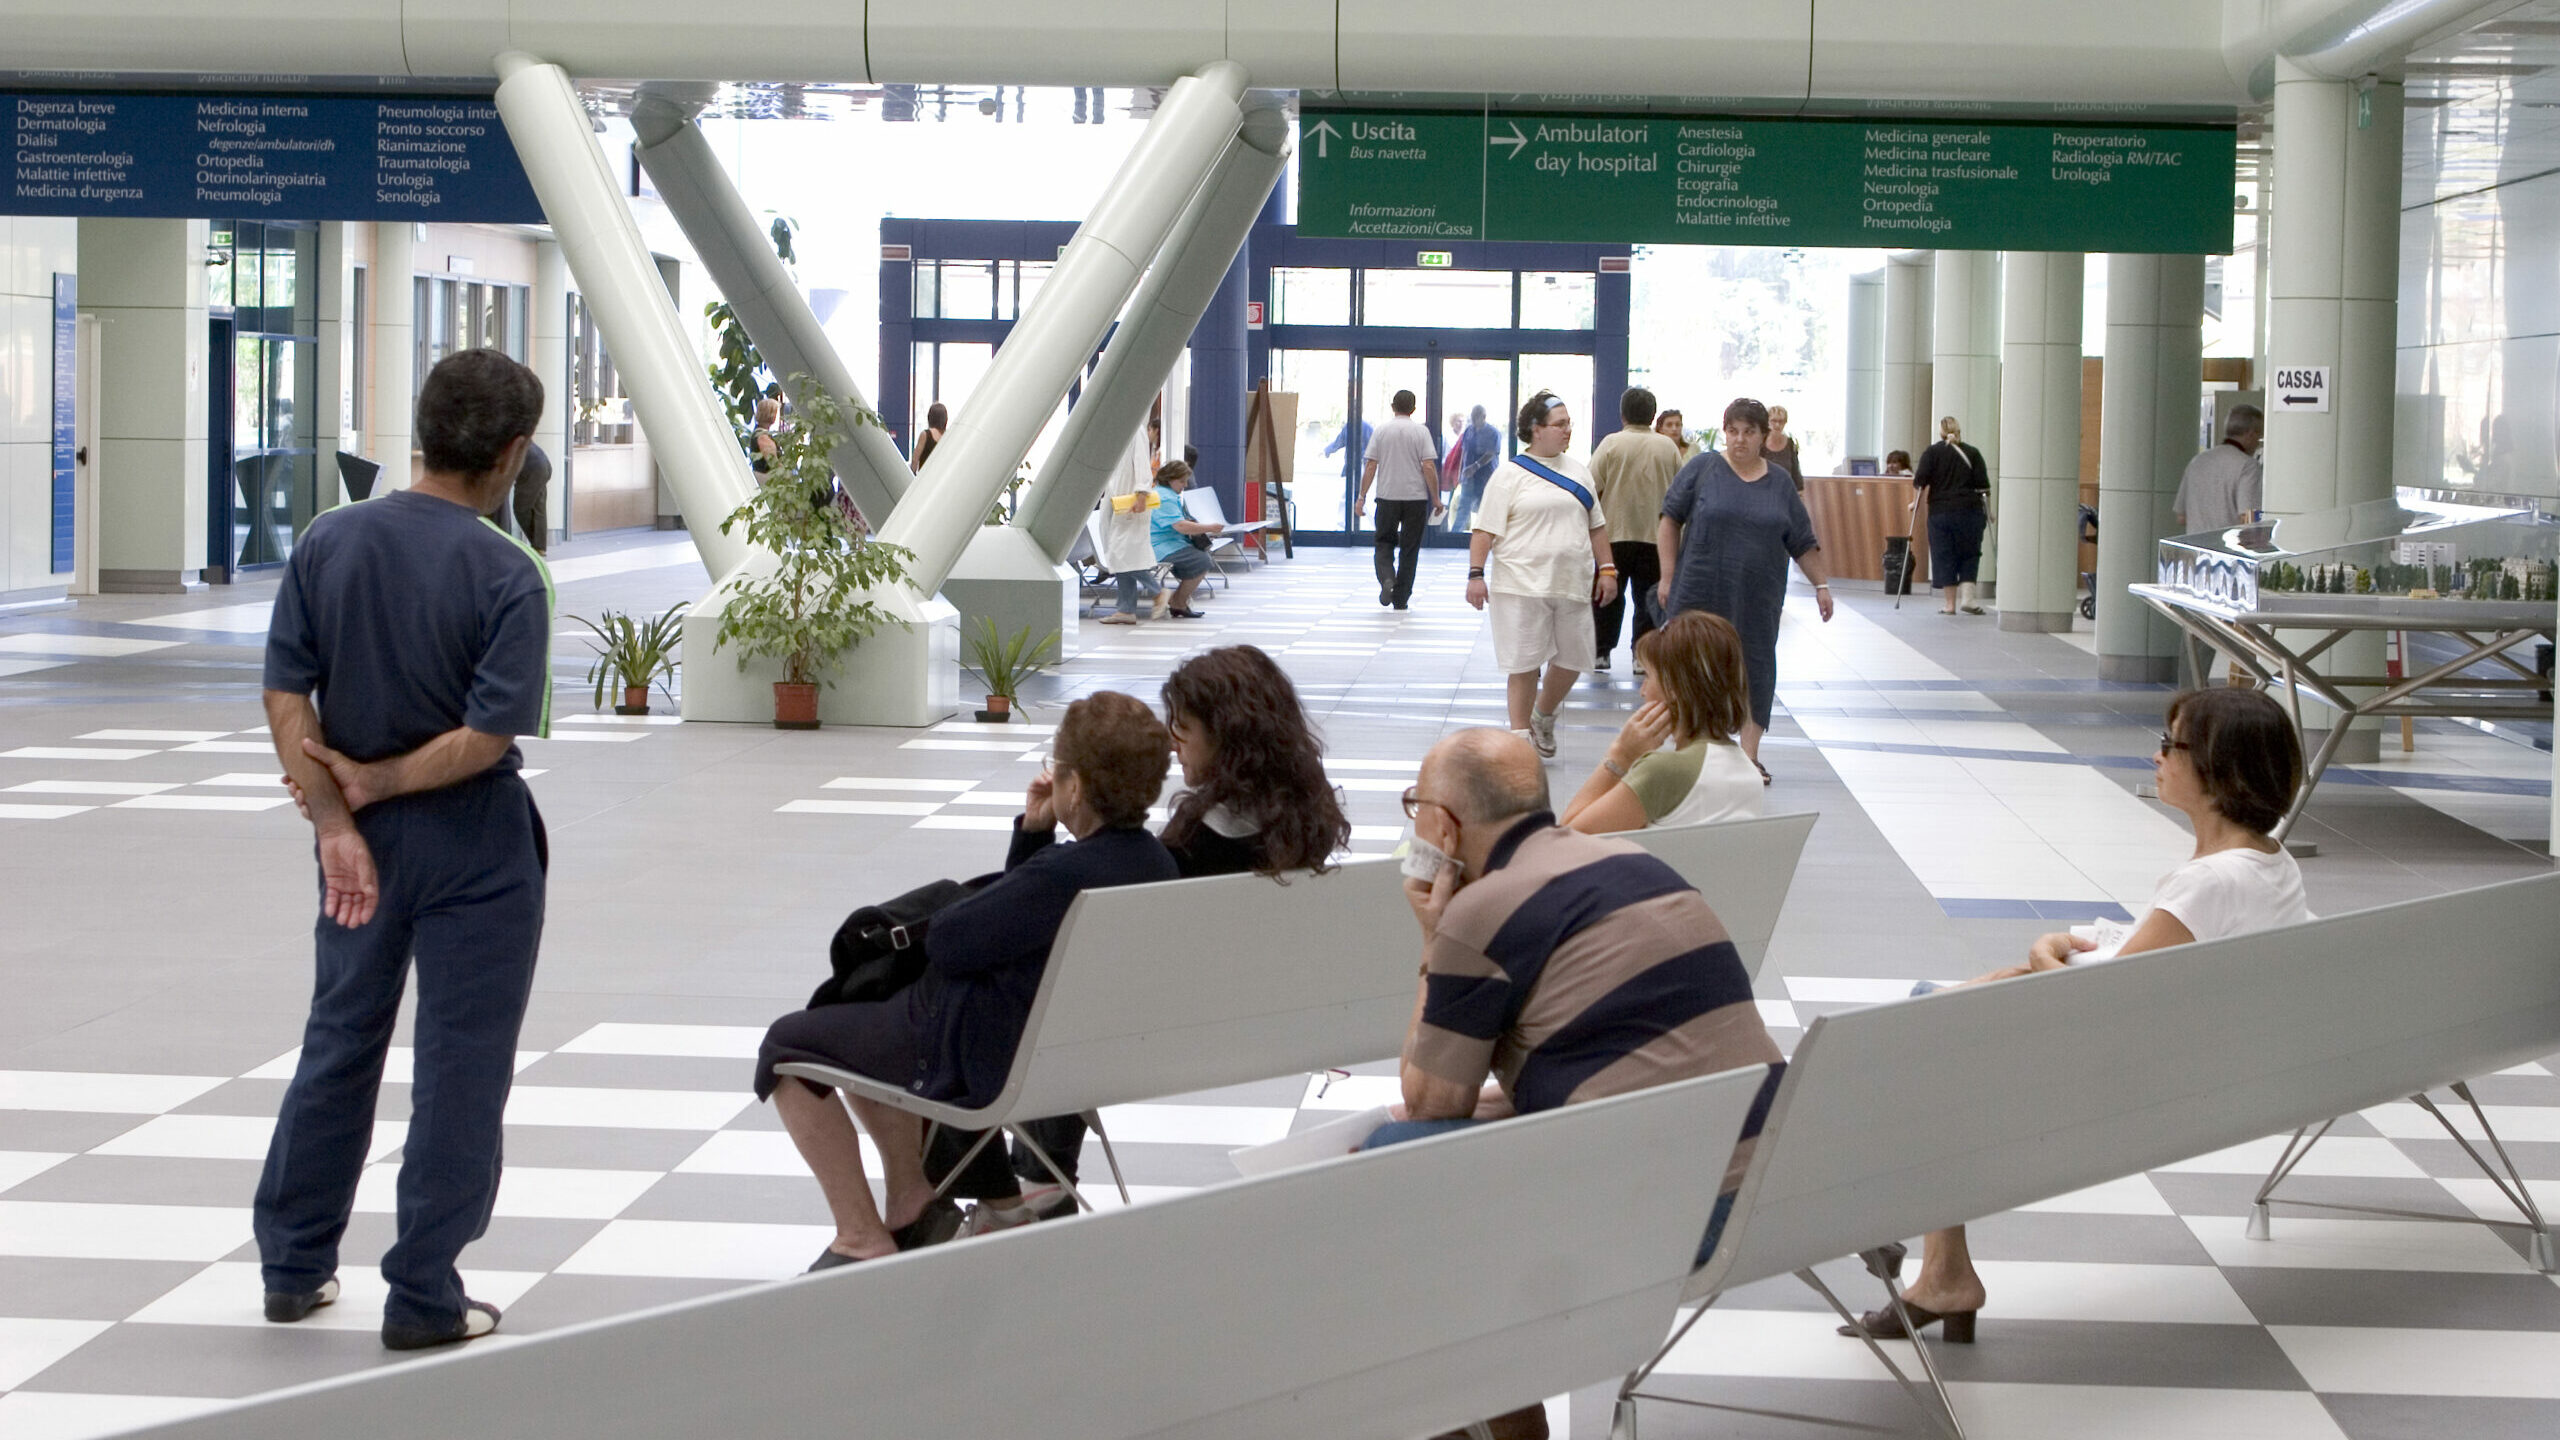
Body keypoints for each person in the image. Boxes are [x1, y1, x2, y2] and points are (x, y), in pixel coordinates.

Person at [1841, 687, 2311, 1345]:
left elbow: (2095, 1007)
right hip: (2205, 1071)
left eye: (2170, 744)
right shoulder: (2270, 864)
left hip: (2126, 1088)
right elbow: (2146, 972)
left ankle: (1893, 1230)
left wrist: (2044, 951)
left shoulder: (2209, 883)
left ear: (2218, 769)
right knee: (1936, 1012)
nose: (2157, 756)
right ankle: (1937, 1266)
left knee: (1923, 1032)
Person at [254, 349, 553, 1352]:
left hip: (360, 849)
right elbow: (488, 735)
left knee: (340, 1039)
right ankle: (423, 1294)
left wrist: (337, 822)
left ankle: (293, 1267)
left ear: (423, 431)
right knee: (462, 1066)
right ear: (511, 453)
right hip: (476, 847)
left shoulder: (329, 541)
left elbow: (287, 693)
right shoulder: (509, 573)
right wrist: (379, 785)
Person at [1375, 728, 1784, 1440]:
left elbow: (1429, 1102)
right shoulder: (1635, 861)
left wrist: (1432, 941)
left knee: (1395, 1163)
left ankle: (1494, 1420)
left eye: (1417, 807)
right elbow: (1618, 1057)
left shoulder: (1479, 910)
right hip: (1776, 1178)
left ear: (1444, 825)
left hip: (1679, 1207)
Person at [754, 692, 1178, 1269]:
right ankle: (910, 1204)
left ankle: (860, 1235)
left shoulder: (1063, 873)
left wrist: (1034, 847)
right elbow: (1016, 917)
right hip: (1072, 1062)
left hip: (977, 1054)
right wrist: (1035, 834)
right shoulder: (1156, 865)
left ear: (1075, 787)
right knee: (857, 1026)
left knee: (788, 1046)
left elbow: (951, 941)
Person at [959, 646, 1357, 1233]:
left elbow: (1032, 915)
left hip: (1150, 1024)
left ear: (1226, 737)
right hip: (1250, 1013)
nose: (1174, 743)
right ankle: (1040, 1175)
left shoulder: (1190, 845)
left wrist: (1041, 837)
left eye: (1183, 729)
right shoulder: (1304, 822)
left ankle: (1036, 1178)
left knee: (1023, 986)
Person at [1657, 397, 1834, 775]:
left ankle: (1748, 756)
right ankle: (1692, 749)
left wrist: (1821, 585)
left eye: (1749, 432)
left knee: (1756, 667)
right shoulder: (1703, 468)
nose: (1739, 439)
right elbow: (1669, 519)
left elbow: (1802, 541)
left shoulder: (1780, 482)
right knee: (1693, 666)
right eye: (1732, 431)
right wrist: (1667, 576)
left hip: (1758, 595)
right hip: (1699, 588)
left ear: (1763, 436)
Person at [1468, 391, 1618, 759]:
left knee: (1574, 660)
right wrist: (1476, 575)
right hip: (1520, 585)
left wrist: (1607, 569)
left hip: (1571, 583)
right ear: (1536, 430)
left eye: (1569, 423)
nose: (1568, 430)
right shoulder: (1509, 475)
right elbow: (1484, 530)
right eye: (1559, 424)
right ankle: (1519, 742)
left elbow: (1596, 526)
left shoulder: (1579, 471)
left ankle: (1543, 715)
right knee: (1523, 664)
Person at [1559, 611, 1763, 833]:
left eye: (1648, 676)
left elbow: (1565, 838)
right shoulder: (1748, 772)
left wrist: (1619, 757)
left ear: (1674, 686)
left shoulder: (1663, 771)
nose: (1643, 691)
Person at [1589, 387, 1682, 673]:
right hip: (1655, 536)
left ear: (1623, 415)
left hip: (1613, 534)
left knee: (1607, 595)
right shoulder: (1668, 447)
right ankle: (1641, 656)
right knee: (1648, 599)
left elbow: (1591, 484)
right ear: (1653, 416)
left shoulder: (1611, 443)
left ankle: (1601, 652)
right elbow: (1681, 490)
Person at [1357, 388, 1442, 609]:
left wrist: (1361, 497)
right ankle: (1401, 598)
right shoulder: (1421, 432)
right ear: (1413, 409)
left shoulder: (1381, 431)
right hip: (1415, 499)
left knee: (1383, 543)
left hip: (1387, 497)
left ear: (1393, 406)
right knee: (1410, 548)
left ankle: (1387, 577)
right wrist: (1435, 497)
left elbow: (1371, 465)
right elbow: (1428, 466)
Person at [1912, 416, 1991, 615]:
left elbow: (1920, 482)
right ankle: (1969, 599)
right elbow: (1983, 487)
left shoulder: (1932, 453)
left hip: (1941, 513)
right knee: (1970, 553)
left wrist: (1915, 504)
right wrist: (1989, 513)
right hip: (1970, 511)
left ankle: (1949, 605)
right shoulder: (1973, 453)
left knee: (1943, 554)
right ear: (1959, 432)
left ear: (1940, 433)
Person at [2172, 403, 2265, 533]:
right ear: (2251, 434)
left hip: (2194, 543)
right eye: (2259, 438)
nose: (2258, 444)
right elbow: (2249, 518)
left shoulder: (2197, 461)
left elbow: (2181, 517)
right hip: (2228, 544)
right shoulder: (2248, 466)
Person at [1147, 459, 1221, 620]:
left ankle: (1179, 601)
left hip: (1167, 543)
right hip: (1163, 546)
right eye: (1182, 481)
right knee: (1202, 561)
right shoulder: (1165, 498)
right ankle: (1178, 602)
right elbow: (1180, 526)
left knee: (1199, 559)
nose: (1185, 485)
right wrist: (1209, 527)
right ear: (1170, 479)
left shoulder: (1162, 493)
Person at [1096, 443, 1161, 626]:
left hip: (1131, 504)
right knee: (1120, 557)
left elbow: (1142, 467)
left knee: (1124, 554)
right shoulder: (1119, 435)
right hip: (1117, 500)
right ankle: (1126, 610)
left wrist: (1141, 495)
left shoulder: (1136, 432)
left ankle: (1158, 592)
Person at [1454, 404, 1504, 529]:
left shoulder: (1492, 433)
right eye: (1472, 417)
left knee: (1485, 510)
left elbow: (1491, 453)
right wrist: (1460, 473)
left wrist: (1475, 466)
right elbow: (1464, 453)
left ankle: (1483, 535)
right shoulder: (1469, 431)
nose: (1473, 420)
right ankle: (1455, 534)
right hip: (1468, 478)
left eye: (1476, 417)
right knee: (1463, 508)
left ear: (1483, 417)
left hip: (1485, 477)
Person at [508, 441, 552, 554]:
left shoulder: (505, 439)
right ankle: (539, 547)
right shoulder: (519, 436)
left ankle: (537, 544)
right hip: (544, 465)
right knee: (538, 509)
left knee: (520, 509)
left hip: (532, 470)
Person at [1761, 403, 1804, 491]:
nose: (1777, 425)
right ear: (1767, 422)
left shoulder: (1790, 444)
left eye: (1781, 421)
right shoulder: (1760, 443)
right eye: (1773, 421)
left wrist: (1799, 492)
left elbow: (1795, 472)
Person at [749, 396, 783, 475]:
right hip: (768, 478)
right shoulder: (763, 436)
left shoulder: (758, 432)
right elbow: (773, 463)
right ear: (771, 414)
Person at [911, 401, 947, 474]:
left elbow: (915, 460)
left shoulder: (925, 435)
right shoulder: (948, 436)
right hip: (942, 476)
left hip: (926, 476)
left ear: (930, 417)